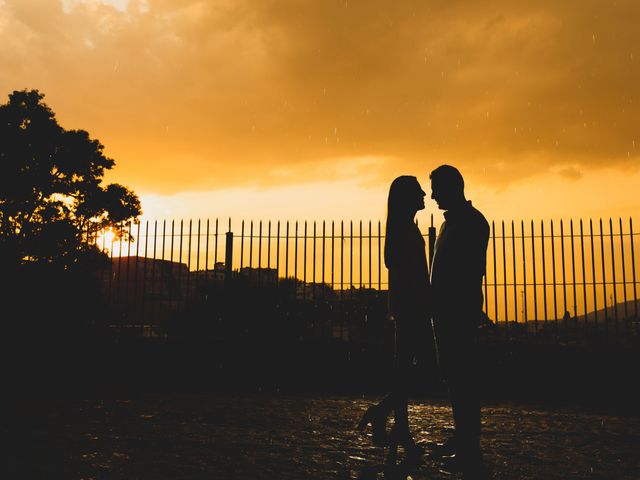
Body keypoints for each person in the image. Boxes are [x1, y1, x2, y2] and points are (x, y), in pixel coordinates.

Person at [357, 175, 434, 465]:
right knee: (422, 368)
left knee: (405, 368)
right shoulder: (405, 231)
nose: (424, 194)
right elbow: (411, 274)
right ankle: (388, 417)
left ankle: (396, 424)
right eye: (417, 191)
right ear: (406, 198)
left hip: (408, 306)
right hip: (412, 307)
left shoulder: (403, 228)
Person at [428, 165, 490, 478]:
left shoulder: (471, 223)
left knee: (461, 377)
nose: (433, 195)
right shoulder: (454, 223)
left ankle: (469, 445)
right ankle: (464, 438)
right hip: (447, 312)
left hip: (457, 312)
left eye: (437, 188)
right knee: (454, 376)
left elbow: (470, 272)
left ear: (454, 187)